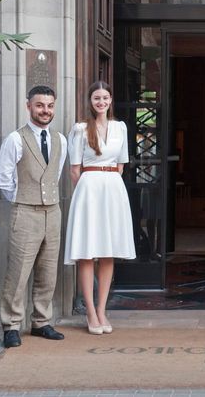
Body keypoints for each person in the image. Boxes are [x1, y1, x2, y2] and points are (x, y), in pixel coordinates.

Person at [0, 85, 68, 348]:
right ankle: (11, 326)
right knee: (18, 272)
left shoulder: (61, 139)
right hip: (25, 212)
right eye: (39, 105)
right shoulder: (15, 139)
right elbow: (2, 179)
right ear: (29, 106)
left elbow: (55, 173)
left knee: (48, 272)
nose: (45, 111)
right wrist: (22, 199)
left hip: (53, 212)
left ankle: (41, 322)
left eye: (49, 106)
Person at [64, 81, 135, 335]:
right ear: (90, 101)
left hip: (113, 188)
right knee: (87, 251)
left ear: (110, 100)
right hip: (89, 188)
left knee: (108, 251)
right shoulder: (81, 129)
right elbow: (74, 169)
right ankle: (90, 313)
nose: (101, 102)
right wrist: (87, 190)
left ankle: (102, 309)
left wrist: (108, 183)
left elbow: (121, 164)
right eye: (97, 98)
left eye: (105, 97)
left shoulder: (120, 128)